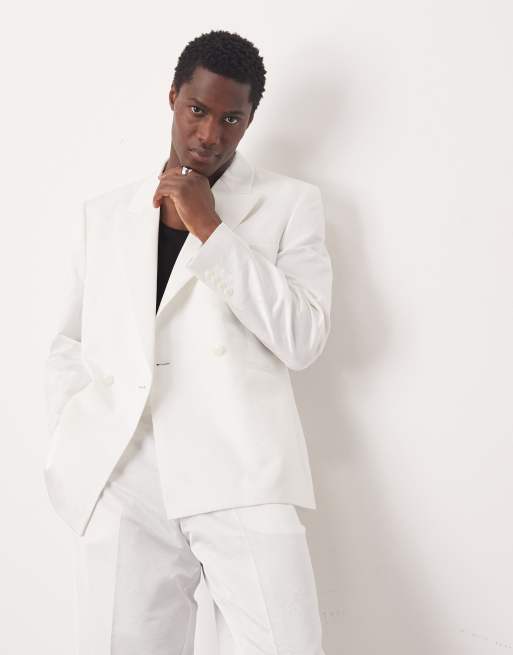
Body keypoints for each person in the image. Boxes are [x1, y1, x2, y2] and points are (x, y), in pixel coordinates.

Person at [43, 29, 333, 654]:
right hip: (129, 473)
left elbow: (304, 337)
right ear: (173, 96)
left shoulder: (289, 204)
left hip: (242, 469)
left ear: (250, 120)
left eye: (231, 119)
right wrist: (83, 446)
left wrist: (212, 230)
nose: (209, 134)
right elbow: (69, 342)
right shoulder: (105, 215)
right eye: (197, 110)